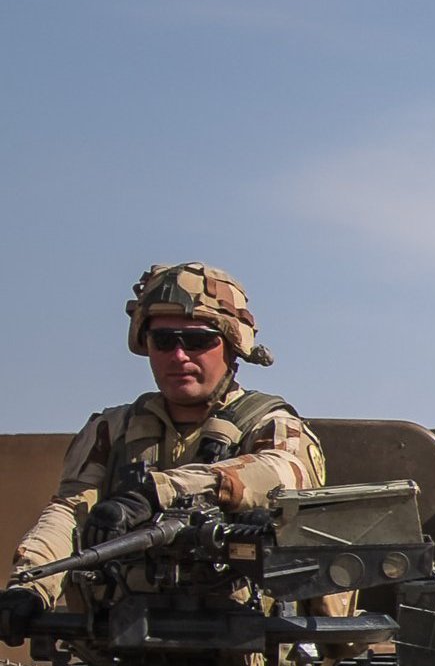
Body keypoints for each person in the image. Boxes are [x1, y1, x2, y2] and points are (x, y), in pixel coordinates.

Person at [6, 265, 326, 636]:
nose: (178, 355)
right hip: (122, 652)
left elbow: (281, 471)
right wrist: (30, 586)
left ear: (233, 344)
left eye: (197, 341)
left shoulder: (270, 425)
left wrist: (156, 492)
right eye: (163, 340)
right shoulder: (112, 431)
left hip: (253, 658)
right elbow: (71, 512)